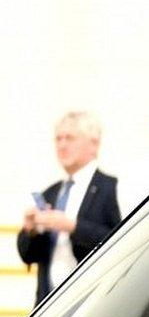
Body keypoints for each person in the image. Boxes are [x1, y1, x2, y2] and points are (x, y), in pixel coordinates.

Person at [17, 111, 122, 306]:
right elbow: (27, 255)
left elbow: (120, 241)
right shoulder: (50, 193)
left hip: (93, 303)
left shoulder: (111, 187)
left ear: (94, 143)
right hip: (47, 306)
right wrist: (29, 230)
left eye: (70, 138)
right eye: (58, 139)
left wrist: (73, 226)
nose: (62, 145)